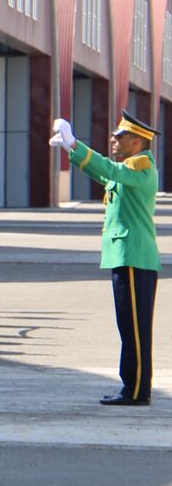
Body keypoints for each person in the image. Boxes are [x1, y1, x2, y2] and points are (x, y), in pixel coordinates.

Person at [50, 111, 161, 405]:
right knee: (128, 326)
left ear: (137, 142)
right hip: (125, 256)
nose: (113, 139)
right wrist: (70, 149)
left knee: (135, 329)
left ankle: (136, 390)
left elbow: (111, 171)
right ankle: (133, 387)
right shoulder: (129, 166)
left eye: (120, 136)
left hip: (135, 257)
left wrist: (75, 143)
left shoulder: (140, 165)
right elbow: (103, 173)